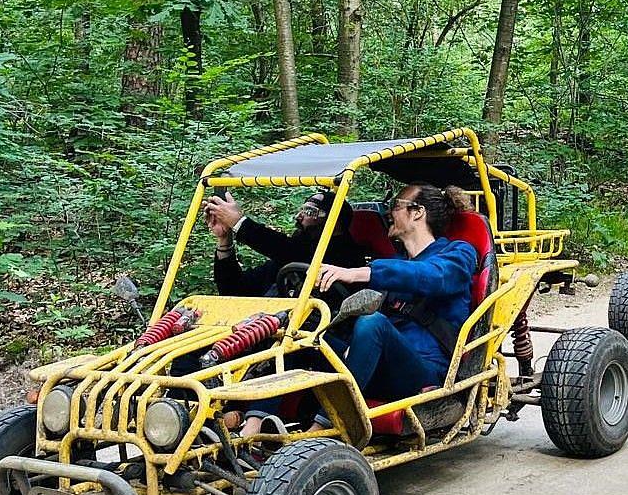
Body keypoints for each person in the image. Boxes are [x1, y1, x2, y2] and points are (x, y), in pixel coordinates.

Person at [240, 182, 480, 438]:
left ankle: (324, 428)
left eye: (395, 206)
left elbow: (435, 276)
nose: (388, 212)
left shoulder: (458, 252)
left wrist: (359, 273)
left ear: (417, 213)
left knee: (372, 323)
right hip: (374, 365)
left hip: (422, 373)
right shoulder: (395, 263)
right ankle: (253, 426)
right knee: (300, 329)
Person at [203, 190, 375, 296]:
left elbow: (289, 249)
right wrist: (224, 240)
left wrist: (239, 222)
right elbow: (235, 291)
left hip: (320, 340)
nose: (299, 216)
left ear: (334, 221)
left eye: (309, 211)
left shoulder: (347, 259)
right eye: (300, 210)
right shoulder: (287, 262)